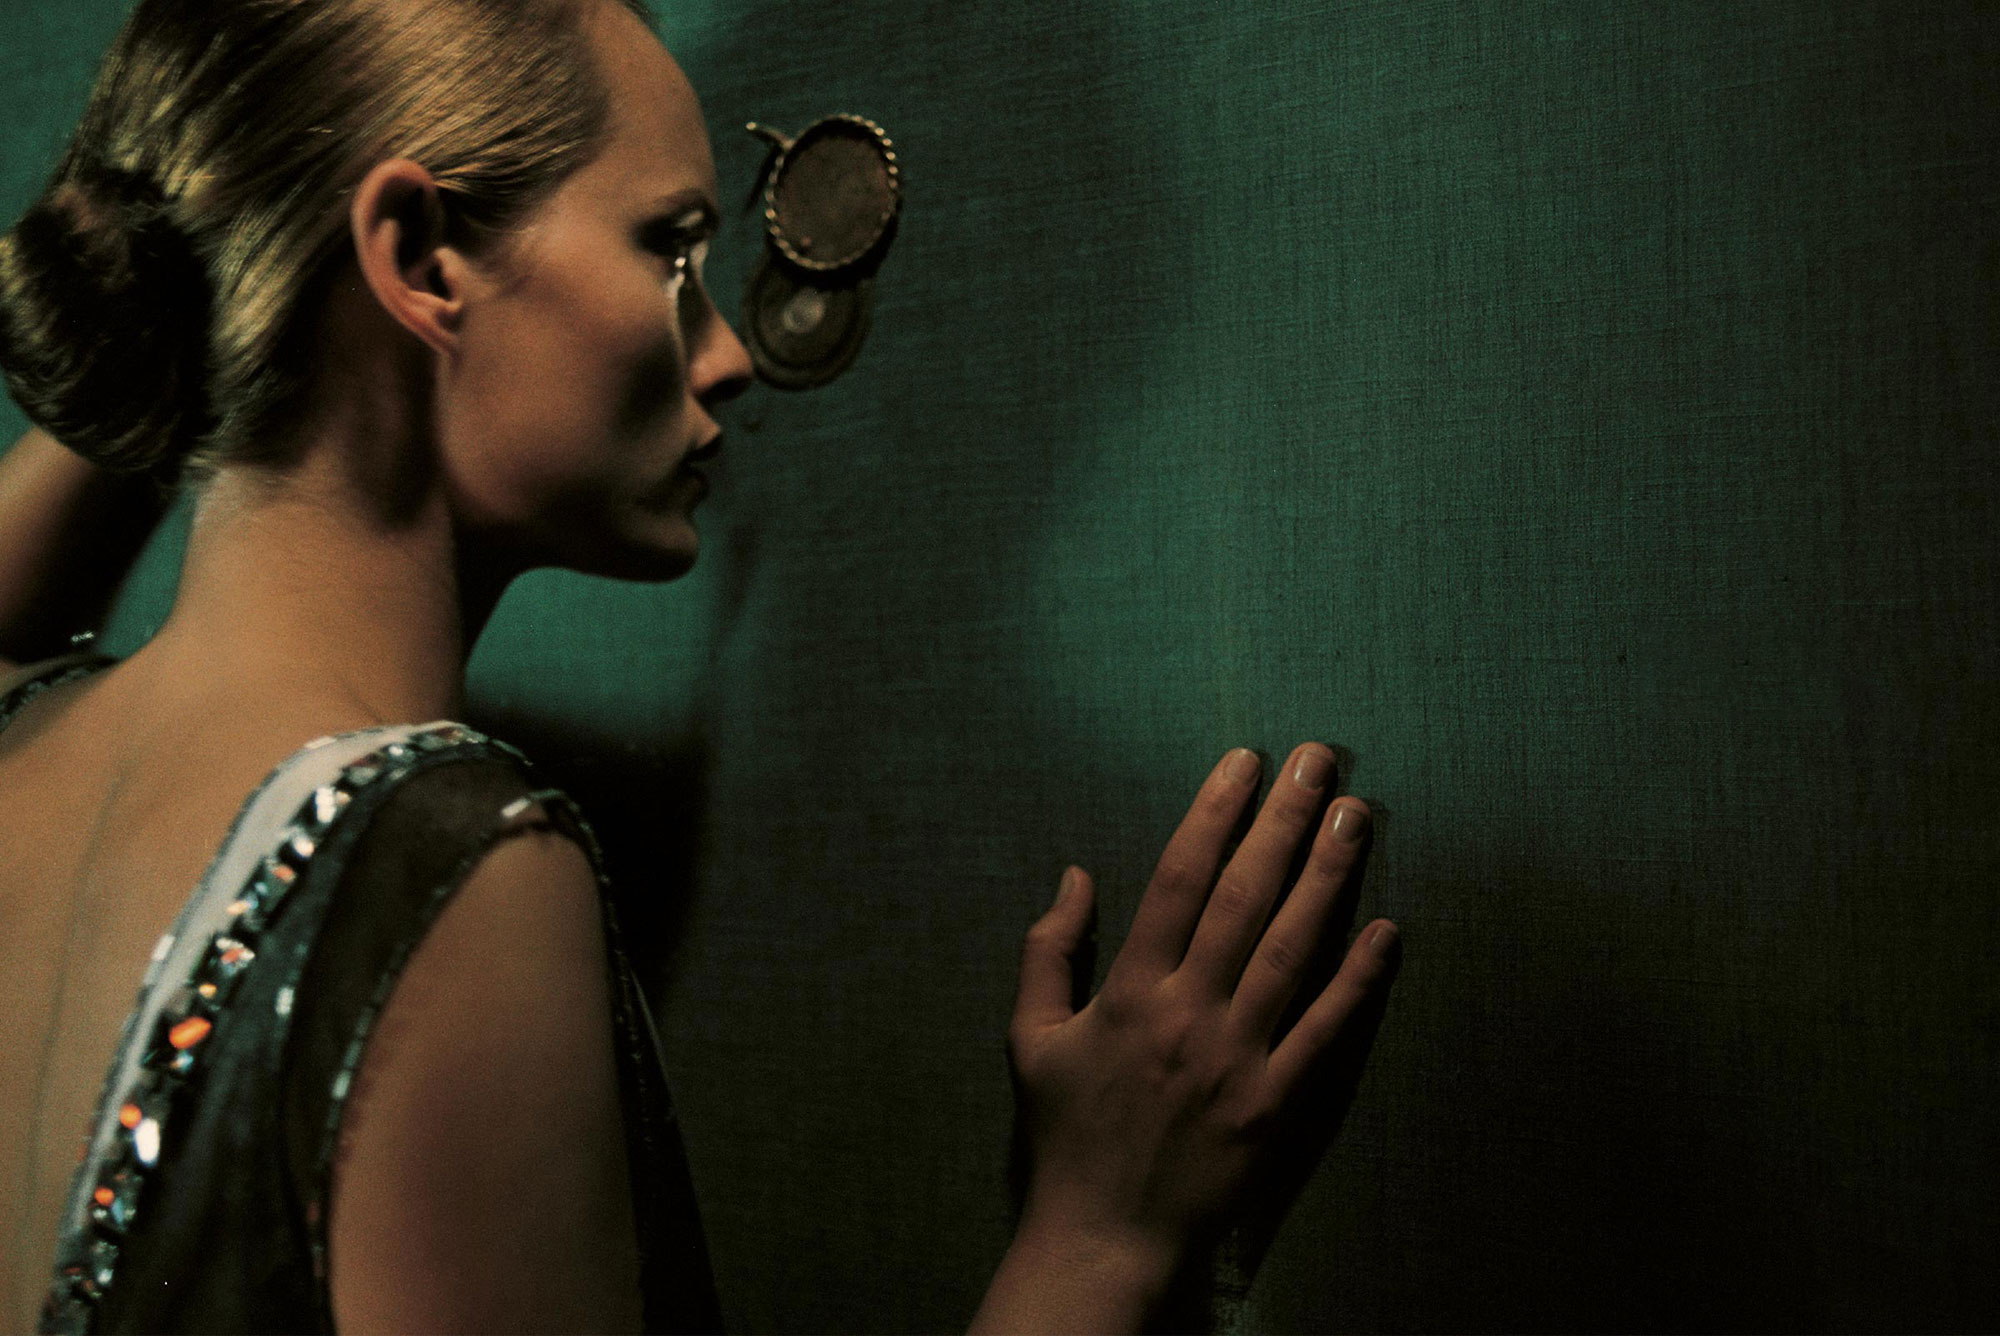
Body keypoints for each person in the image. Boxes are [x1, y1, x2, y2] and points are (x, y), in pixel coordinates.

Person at [0, 0, 1404, 1330]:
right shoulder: (443, 870)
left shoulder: (23, 744)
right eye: (671, 250)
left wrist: (223, 249)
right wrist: (1099, 1240)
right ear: (421, 262)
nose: (728, 352)